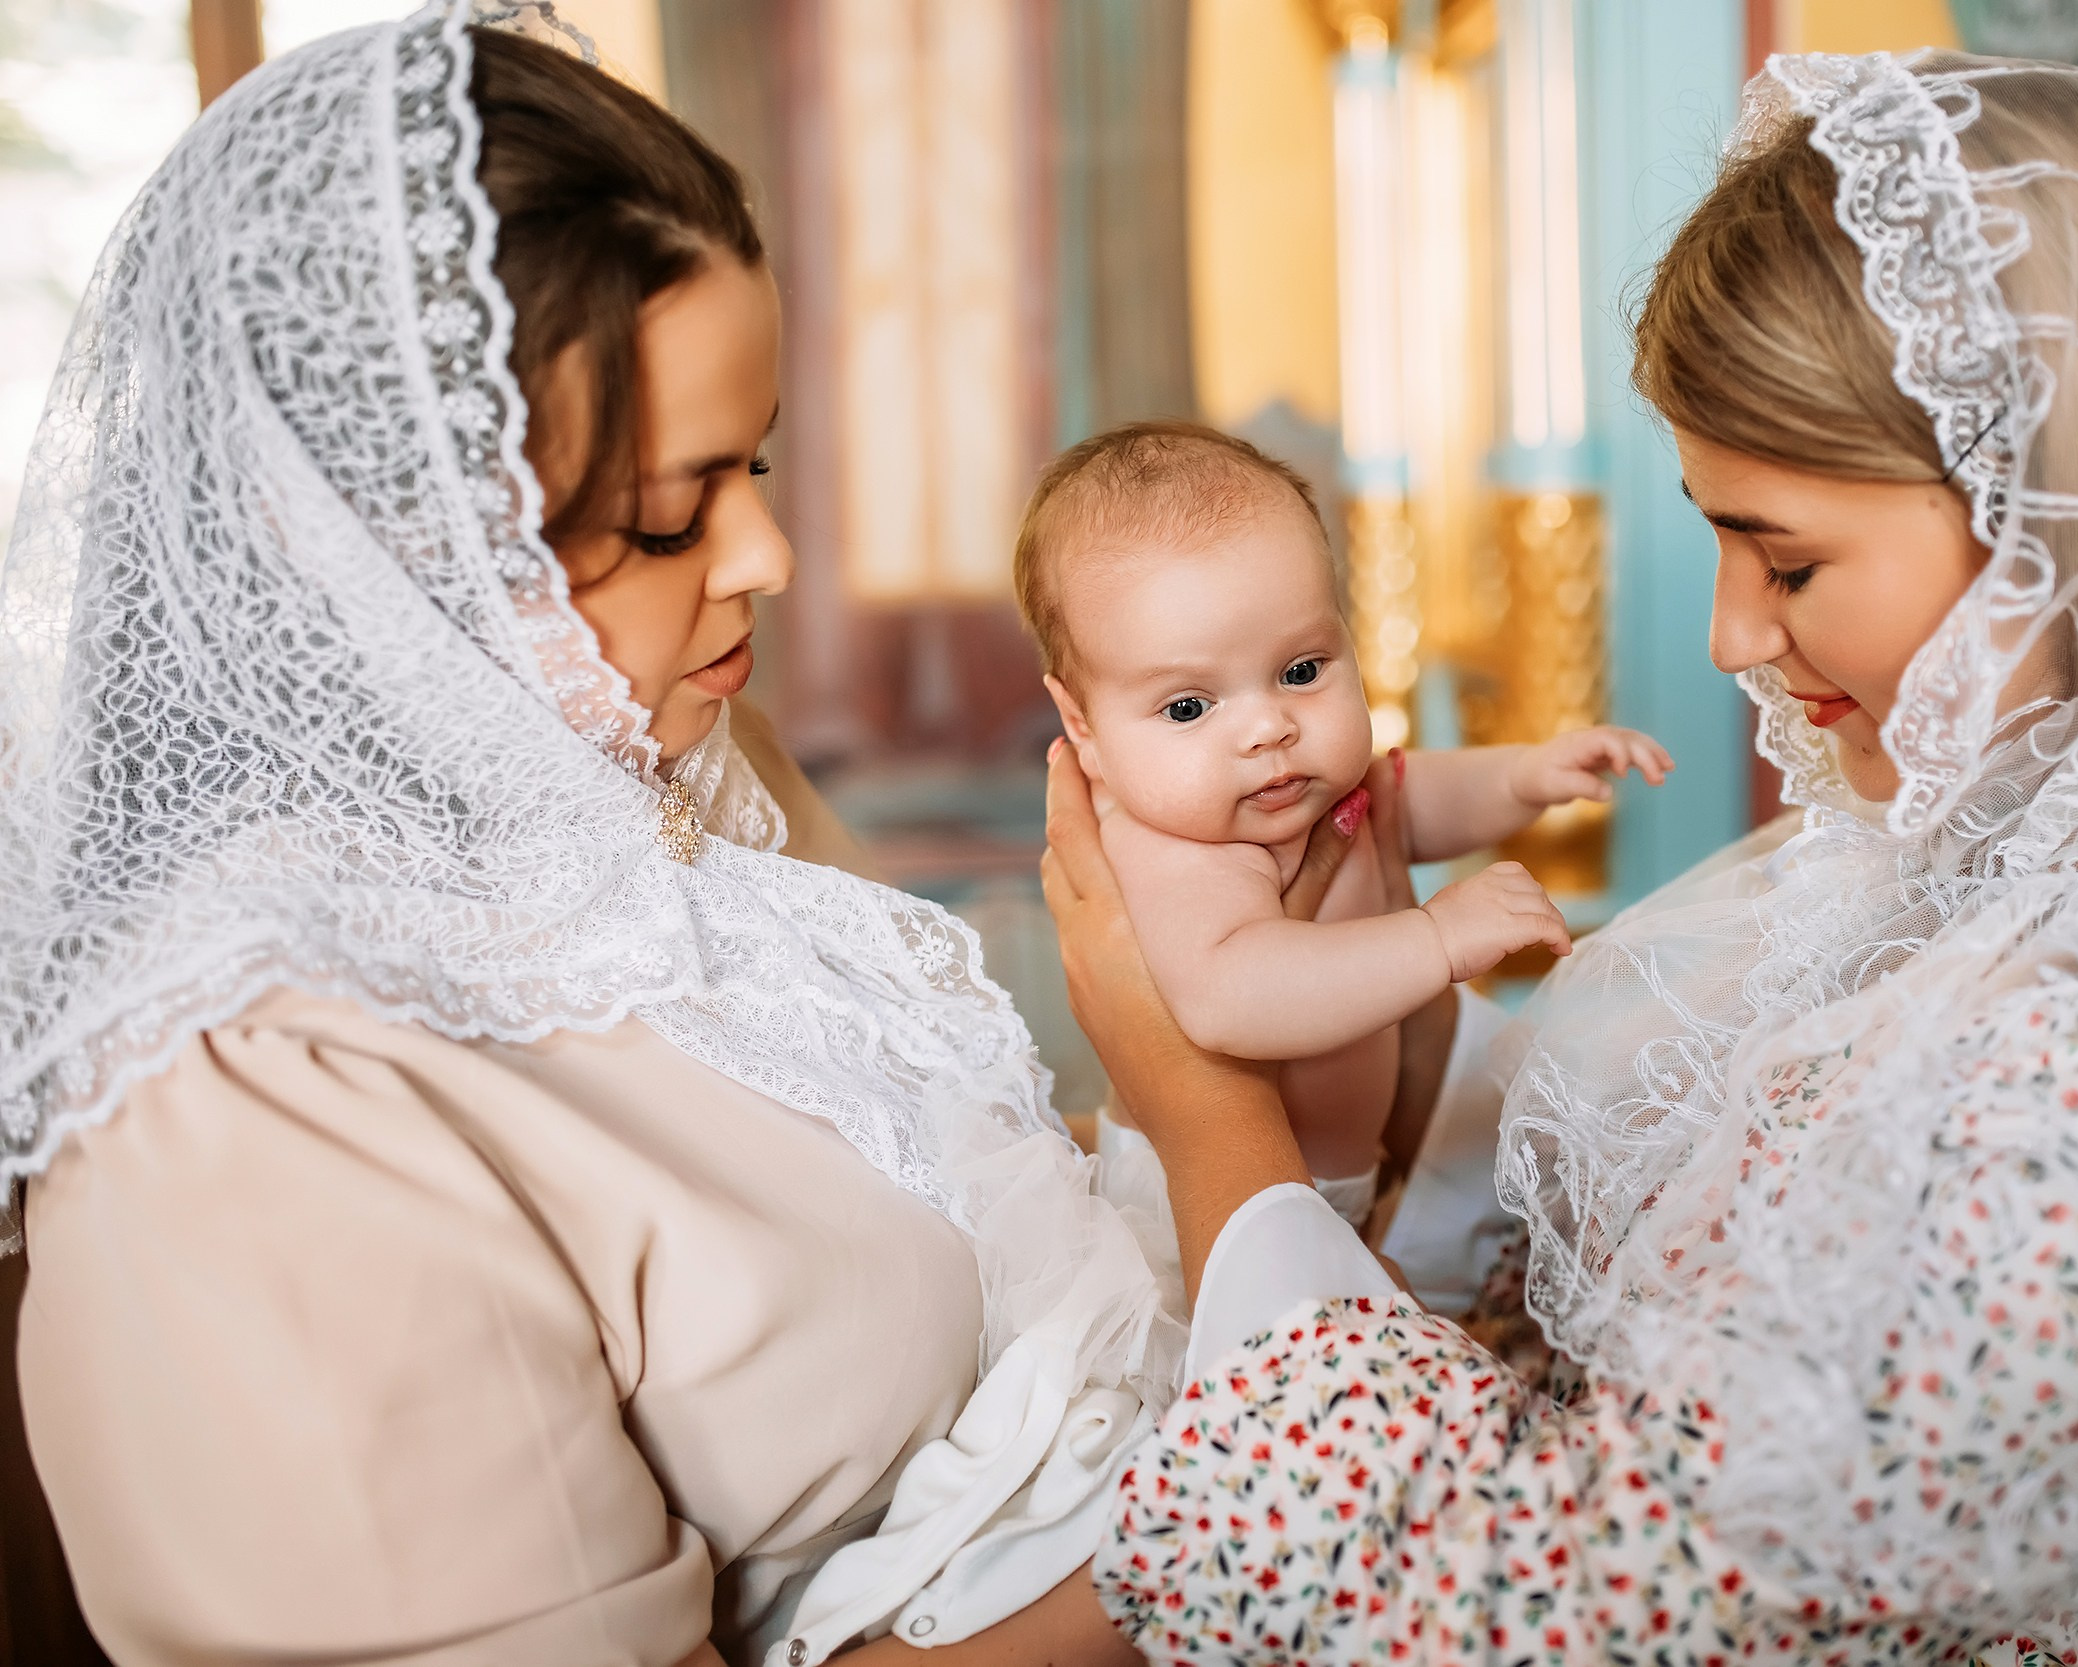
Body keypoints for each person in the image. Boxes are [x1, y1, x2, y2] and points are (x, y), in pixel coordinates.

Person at [1045, 51, 2078, 1666]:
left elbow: (1516, 1617)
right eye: (1719, 537)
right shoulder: (1990, 885)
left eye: (1788, 557)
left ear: (2064, 517)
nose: (1735, 634)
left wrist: (1209, 1119)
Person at [0, 8, 1195, 1664]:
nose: (769, 553)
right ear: (365, 540)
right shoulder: (250, 1103)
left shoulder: (674, 774)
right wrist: (1242, 1530)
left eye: (757, 463)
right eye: (665, 512)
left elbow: (983, 1204)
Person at [1015, 420, 1665, 1222]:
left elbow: (1415, 795)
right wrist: (1434, 940)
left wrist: (1526, 774)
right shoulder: (1171, 848)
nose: (1268, 727)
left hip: (1340, 1183)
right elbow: (1230, 993)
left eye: (1300, 670)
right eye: (1189, 705)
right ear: (1081, 726)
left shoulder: (1310, 789)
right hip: (1208, 1201)